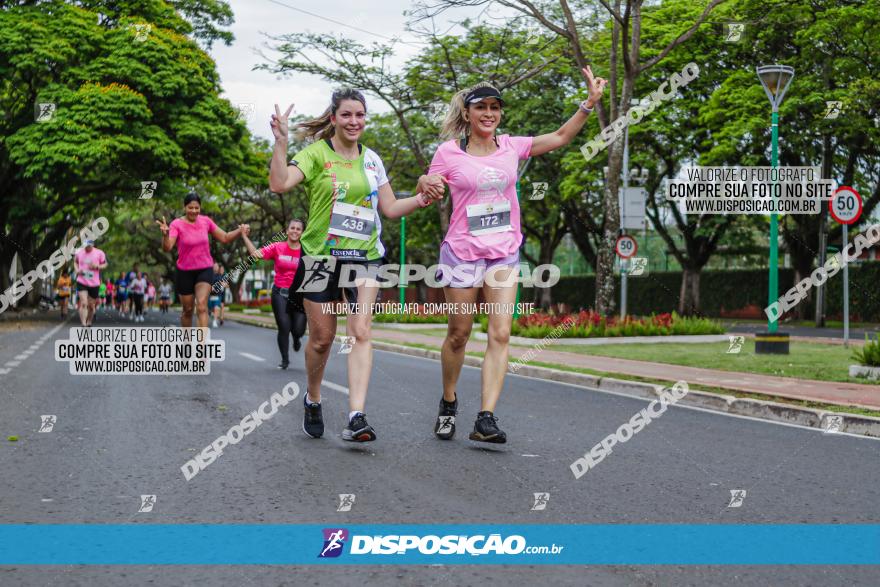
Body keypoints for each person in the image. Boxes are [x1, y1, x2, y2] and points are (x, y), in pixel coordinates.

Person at [427, 68, 607, 443]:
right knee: (459, 334)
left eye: (495, 107)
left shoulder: (511, 146)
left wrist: (588, 105)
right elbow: (430, 187)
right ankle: (448, 402)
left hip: (503, 253)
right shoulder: (448, 152)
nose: (489, 114)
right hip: (461, 253)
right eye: (482, 108)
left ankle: (486, 418)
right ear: (467, 113)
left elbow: (559, 136)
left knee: (501, 333)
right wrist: (423, 184)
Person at [268, 89, 445, 441]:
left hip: (365, 256)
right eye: (347, 115)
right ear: (333, 118)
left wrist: (423, 199)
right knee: (321, 339)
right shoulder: (316, 154)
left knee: (361, 331)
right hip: (320, 257)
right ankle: (314, 398)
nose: (354, 122)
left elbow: (391, 208)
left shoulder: (372, 160)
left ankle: (356, 415)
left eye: (360, 115)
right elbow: (279, 184)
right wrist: (281, 142)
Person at [156, 192, 245, 328]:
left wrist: (240, 231)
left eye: (196, 207)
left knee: (202, 306)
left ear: (200, 208)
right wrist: (165, 234)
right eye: (190, 208)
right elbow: (167, 247)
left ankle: (201, 347)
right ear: (185, 208)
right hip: (184, 271)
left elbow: (225, 237)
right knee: (188, 310)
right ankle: (187, 343)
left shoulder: (206, 221)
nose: (194, 211)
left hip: (204, 269)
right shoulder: (176, 224)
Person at [241, 220, 307, 370]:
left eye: (298, 229)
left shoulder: (306, 250)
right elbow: (256, 254)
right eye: (292, 228)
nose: (295, 231)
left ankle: (297, 338)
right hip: (280, 293)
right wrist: (244, 237)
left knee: (298, 329)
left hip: (299, 295)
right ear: (287, 231)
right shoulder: (278, 247)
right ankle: (285, 360)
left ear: (302, 232)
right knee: (284, 327)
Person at [73, 239, 108, 327]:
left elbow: (105, 264)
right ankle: (83, 324)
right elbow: (75, 262)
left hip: (94, 283)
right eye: (85, 246)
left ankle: (89, 321)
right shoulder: (79, 252)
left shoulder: (99, 253)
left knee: (91, 306)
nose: (87, 248)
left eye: (88, 246)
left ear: (92, 245)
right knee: (84, 303)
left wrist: (97, 266)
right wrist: (77, 270)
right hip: (81, 281)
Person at [209, 262, 225, 328]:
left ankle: (215, 321)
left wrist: (223, 285)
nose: (215, 267)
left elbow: (224, 284)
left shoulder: (220, 276)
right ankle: (211, 314)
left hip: (217, 295)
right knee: (210, 309)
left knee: (217, 308)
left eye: (216, 266)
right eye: (214, 266)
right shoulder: (209, 275)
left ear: (218, 268)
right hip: (209, 295)